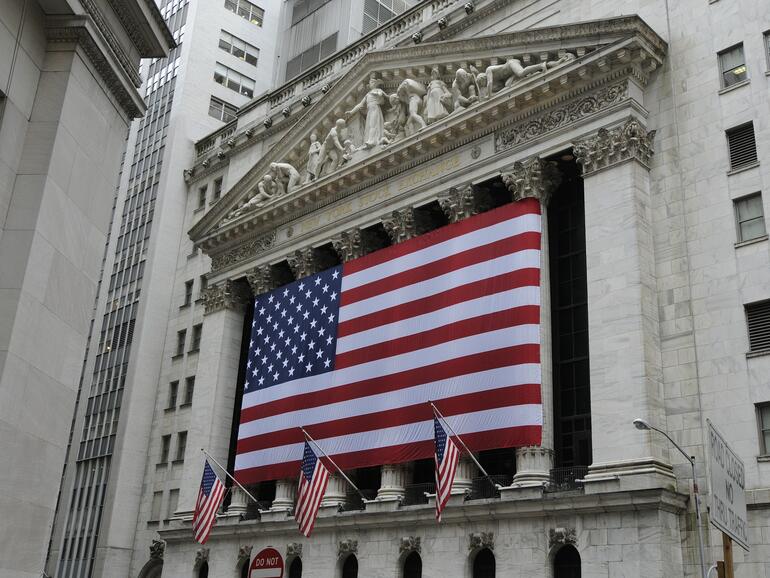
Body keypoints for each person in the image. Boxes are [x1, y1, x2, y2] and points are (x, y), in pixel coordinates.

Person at [346, 77, 388, 149]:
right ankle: (370, 140)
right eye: (370, 83)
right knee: (369, 126)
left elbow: (386, 97)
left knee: (373, 124)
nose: (370, 84)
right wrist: (351, 112)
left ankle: (372, 141)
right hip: (370, 110)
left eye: (372, 83)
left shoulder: (378, 90)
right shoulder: (368, 94)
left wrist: (379, 94)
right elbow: (360, 105)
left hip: (375, 108)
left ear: (375, 84)